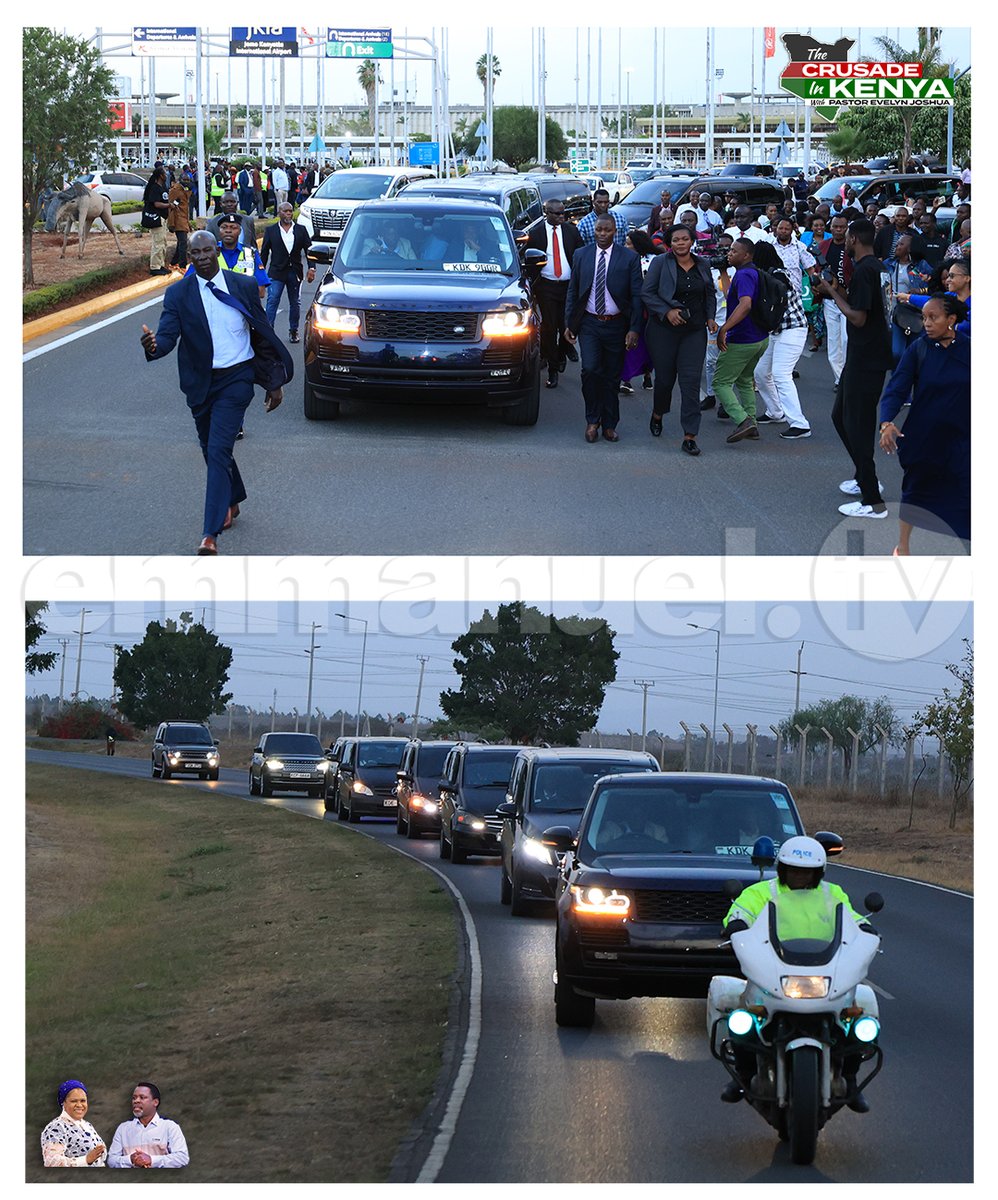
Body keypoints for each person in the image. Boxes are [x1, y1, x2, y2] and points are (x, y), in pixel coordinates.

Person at [139, 229, 293, 555]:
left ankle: (209, 534)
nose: (204, 257)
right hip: (200, 383)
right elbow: (167, 337)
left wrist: (273, 383)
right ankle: (233, 499)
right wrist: (153, 346)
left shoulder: (243, 286)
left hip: (236, 379)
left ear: (216, 252)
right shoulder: (179, 295)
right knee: (211, 448)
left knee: (219, 450)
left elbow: (262, 334)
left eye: (208, 251)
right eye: (196, 254)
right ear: (190, 259)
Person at [721, 836, 875, 1111]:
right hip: (773, 968)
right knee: (744, 1016)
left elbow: (852, 918)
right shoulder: (760, 892)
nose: (800, 876)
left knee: (858, 1015)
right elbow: (738, 913)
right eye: (793, 869)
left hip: (826, 969)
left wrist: (865, 929)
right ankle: (743, 1077)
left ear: (818, 873)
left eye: (807, 871)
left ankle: (850, 1080)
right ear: (782, 869)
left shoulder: (832, 893)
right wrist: (735, 924)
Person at [813, 218, 893, 519]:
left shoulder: (865, 271)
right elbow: (863, 307)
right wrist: (835, 287)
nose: (843, 239)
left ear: (855, 239)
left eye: (846, 235)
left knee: (857, 426)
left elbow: (858, 318)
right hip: (864, 356)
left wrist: (830, 293)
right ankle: (864, 475)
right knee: (840, 416)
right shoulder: (876, 268)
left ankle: (873, 500)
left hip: (867, 357)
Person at [879, 295, 971, 555]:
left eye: (934, 318)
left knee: (969, 494)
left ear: (951, 320)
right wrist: (886, 422)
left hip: (963, 439)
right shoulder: (918, 349)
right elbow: (896, 389)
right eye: (924, 318)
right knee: (915, 492)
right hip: (924, 437)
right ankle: (903, 548)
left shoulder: (971, 351)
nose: (927, 323)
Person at [564, 214, 643, 442]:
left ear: (614, 231)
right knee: (589, 370)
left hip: (617, 325)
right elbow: (573, 290)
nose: (602, 234)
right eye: (598, 230)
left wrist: (634, 328)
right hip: (589, 324)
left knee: (611, 377)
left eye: (606, 230)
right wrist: (569, 322)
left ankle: (609, 424)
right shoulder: (581, 255)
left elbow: (637, 296)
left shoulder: (628, 258)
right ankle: (592, 420)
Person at [641, 223, 716, 456]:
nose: (681, 243)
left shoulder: (703, 264)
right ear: (669, 243)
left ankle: (690, 436)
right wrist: (667, 312)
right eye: (676, 240)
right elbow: (647, 293)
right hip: (663, 331)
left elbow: (710, 293)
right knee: (664, 380)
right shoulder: (660, 263)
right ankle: (658, 413)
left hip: (693, 331)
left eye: (685, 239)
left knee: (691, 381)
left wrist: (710, 318)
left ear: (692, 241)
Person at [754, 226, 816, 438]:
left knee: (781, 374)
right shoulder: (768, 275)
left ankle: (800, 424)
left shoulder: (777, 276)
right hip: (776, 331)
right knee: (761, 373)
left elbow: (774, 304)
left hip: (792, 329)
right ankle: (776, 412)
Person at [713, 237, 770, 444]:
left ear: (746, 255)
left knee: (720, 383)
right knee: (745, 381)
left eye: (734, 251)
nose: (729, 253)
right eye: (729, 250)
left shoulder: (745, 275)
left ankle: (743, 420)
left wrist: (724, 329)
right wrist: (723, 272)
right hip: (759, 338)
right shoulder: (749, 272)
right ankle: (752, 422)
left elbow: (744, 305)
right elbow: (732, 297)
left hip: (743, 339)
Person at [524, 199, 584, 388]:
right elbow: (528, 259)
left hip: (568, 286)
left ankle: (563, 351)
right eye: (557, 214)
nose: (561, 217)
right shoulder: (536, 234)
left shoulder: (571, 231)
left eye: (563, 213)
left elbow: (580, 256)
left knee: (566, 323)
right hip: (546, 286)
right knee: (549, 327)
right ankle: (552, 367)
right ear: (547, 213)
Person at [260, 202, 315, 343]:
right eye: (286, 211)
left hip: (294, 272)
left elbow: (309, 251)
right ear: (279, 212)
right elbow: (264, 253)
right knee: (272, 300)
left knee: (295, 302)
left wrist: (312, 268)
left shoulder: (301, 230)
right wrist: (260, 274)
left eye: (291, 211)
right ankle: (269, 331)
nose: (289, 213)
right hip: (276, 272)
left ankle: (293, 331)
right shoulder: (271, 231)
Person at [107, 1082, 189, 1168]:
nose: (136, 1101)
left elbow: (182, 1158)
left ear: (155, 1102)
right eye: (134, 1098)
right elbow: (111, 1160)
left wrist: (151, 1160)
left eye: (142, 1097)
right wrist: (130, 1160)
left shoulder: (170, 1127)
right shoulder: (123, 1129)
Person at [619, 229, 659, 394]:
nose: (625, 246)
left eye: (629, 243)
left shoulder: (655, 260)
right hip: (631, 310)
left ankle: (648, 374)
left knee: (649, 345)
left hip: (651, 311)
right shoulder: (623, 260)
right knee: (629, 343)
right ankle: (626, 379)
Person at [885, 234, 933, 364]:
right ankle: (897, 378)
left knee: (915, 353)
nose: (897, 246)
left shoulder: (921, 266)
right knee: (897, 352)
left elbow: (935, 287)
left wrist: (920, 291)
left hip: (914, 314)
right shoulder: (888, 264)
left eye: (901, 244)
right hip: (895, 313)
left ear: (910, 248)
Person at [817, 214, 852, 387]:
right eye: (836, 227)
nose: (839, 230)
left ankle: (847, 375)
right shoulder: (823, 246)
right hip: (829, 299)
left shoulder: (851, 246)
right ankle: (840, 379)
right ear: (830, 228)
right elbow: (815, 270)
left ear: (847, 228)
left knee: (846, 340)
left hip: (848, 299)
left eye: (842, 227)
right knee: (833, 340)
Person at [701, 231, 734, 413]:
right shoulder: (710, 270)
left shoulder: (739, 270)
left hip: (733, 323)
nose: (723, 252)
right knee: (711, 361)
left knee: (727, 362)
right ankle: (711, 395)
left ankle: (726, 402)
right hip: (714, 323)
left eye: (727, 248)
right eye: (720, 248)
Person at [40, 1080, 107, 1167]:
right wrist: (85, 1160)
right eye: (74, 1101)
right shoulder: (56, 1127)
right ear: (63, 1103)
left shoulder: (87, 1126)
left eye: (83, 1101)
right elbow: (52, 1162)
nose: (79, 1105)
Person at [142, 166, 171, 277]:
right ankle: (154, 267)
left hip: (163, 218)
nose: (166, 175)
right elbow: (156, 203)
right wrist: (169, 205)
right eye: (164, 173)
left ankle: (160, 264)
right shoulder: (154, 188)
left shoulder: (162, 187)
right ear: (160, 175)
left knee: (163, 242)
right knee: (157, 243)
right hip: (156, 218)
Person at [167, 173, 191, 272]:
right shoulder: (175, 190)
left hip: (184, 219)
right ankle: (182, 265)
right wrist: (171, 223)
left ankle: (173, 262)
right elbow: (171, 207)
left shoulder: (183, 190)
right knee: (183, 243)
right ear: (180, 179)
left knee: (181, 242)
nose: (187, 182)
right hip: (178, 219)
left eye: (188, 180)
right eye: (185, 180)